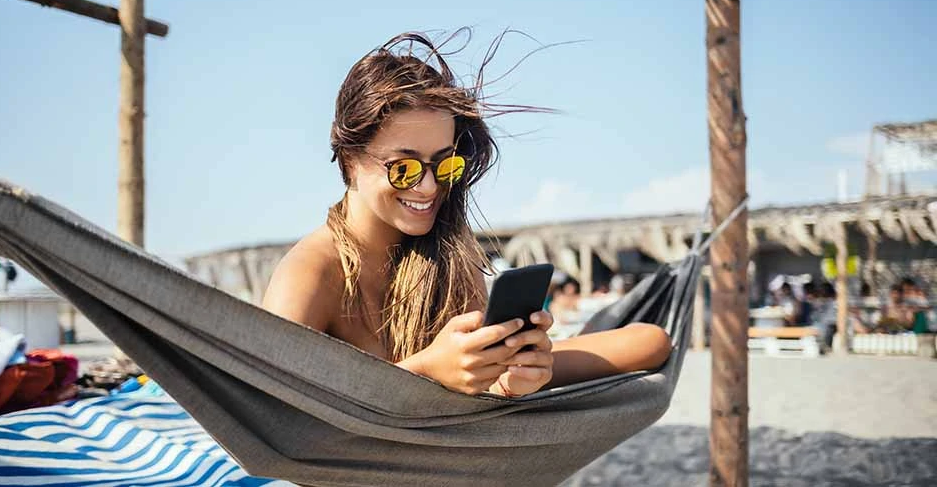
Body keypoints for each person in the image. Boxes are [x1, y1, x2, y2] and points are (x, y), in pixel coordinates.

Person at [261, 32, 671, 398]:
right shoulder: (312, 273)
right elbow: (277, 419)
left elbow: (480, 382)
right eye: (403, 168)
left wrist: (513, 376)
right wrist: (425, 372)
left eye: (445, 166)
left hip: (448, 457)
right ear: (351, 160)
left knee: (650, 342)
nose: (427, 187)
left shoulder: (445, 254)